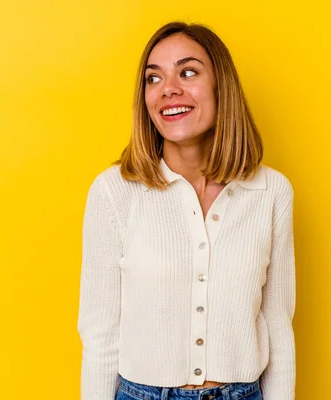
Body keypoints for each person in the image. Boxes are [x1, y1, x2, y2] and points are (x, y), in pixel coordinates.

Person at [77, 21, 296, 400]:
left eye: (188, 72)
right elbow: (100, 335)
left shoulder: (271, 192)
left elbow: (278, 325)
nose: (168, 90)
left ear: (220, 87)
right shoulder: (114, 192)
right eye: (153, 78)